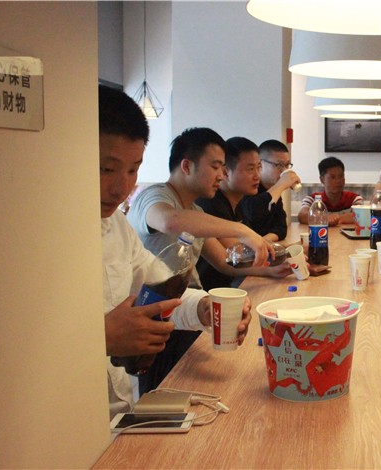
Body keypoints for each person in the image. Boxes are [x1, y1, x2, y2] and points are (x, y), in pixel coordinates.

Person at [98, 85, 251, 418]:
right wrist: (101, 336)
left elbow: (160, 287)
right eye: (106, 169)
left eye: (133, 169)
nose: (121, 187)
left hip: (120, 410)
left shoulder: (115, 226)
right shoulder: (154, 198)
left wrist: (204, 309)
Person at [127, 127, 270, 394]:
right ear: (186, 166)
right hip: (155, 327)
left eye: (223, 168)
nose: (221, 175)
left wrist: (273, 270)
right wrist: (242, 230)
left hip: (189, 315)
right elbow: (169, 220)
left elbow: (224, 261)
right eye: (215, 167)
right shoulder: (154, 196)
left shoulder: (196, 212)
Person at [196, 137, 293, 291]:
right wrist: (278, 260)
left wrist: (289, 251)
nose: (257, 175)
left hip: (234, 282)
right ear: (226, 172)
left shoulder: (238, 202)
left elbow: (270, 234)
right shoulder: (209, 204)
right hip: (213, 291)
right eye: (250, 169)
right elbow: (238, 255)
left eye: (258, 168)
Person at [239, 139, 301, 243]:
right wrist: (281, 185)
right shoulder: (247, 186)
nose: (284, 170)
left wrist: (262, 243)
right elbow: (253, 214)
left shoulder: (273, 191)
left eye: (287, 165)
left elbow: (281, 227)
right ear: (260, 164)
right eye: (279, 165)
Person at [298, 156, 362, 226]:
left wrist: (333, 219)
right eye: (332, 177)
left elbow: (360, 215)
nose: (338, 181)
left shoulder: (354, 198)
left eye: (341, 176)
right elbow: (302, 215)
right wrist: (326, 218)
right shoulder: (312, 199)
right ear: (322, 179)